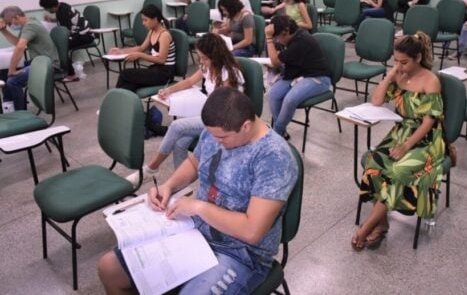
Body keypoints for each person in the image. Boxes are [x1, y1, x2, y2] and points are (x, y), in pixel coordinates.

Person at [98, 87, 299, 295]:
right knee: (109, 268)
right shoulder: (217, 130)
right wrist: (168, 186)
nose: (216, 141)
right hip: (196, 232)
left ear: (246, 126)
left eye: (222, 138)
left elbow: (252, 231)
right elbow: (195, 163)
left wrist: (199, 207)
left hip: (241, 253)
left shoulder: (274, 158)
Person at [351, 32, 445, 251]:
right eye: (396, 61)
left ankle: (368, 226)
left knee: (399, 171)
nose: (400, 66)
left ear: (418, 58)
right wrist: (391, 75)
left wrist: (406, 146)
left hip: (426, 138)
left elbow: (429, 122)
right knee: (373, 161)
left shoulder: (431, 81)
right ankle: (382, 223)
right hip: (401, 131)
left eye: (404, 62)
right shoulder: (399, 75)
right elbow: (376, 101)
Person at [126, 33, 245, 185]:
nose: (201, 61)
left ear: (216, 56)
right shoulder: (208, 66)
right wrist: (169, 90)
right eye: (200, 57)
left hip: (224, 119)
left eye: (205, 58)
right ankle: (181, 185)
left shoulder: (229, 73)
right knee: (180, 142)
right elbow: (189, 81)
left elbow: (227, 106)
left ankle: (151, 168)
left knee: (176, 126)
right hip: (211, 113)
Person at [265, 15, 331, 139]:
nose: (277, 41)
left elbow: (275, 61)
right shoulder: (293, 35)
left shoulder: (301, 41)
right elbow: (280, 57)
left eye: (277, 37)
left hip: (318, 78)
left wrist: (268, 38)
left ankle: (276, 134)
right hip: (298, 74)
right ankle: (281, 131)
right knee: (273, 94)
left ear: (285, 32)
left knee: (289, 100)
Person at [0, 6, 59, 110]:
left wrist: (12, 69)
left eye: (9, 23)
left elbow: (20, 47)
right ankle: (8, 107)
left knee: (12, 81)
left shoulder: (30, 26)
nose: (9, 26)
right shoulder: (29, 23)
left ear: (16, 17)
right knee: (3, 73)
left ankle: (21, 113)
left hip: (48, 66)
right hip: (38, 62)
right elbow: (18, 43)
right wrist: (4, 31)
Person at [111, 4, 175, 92]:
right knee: (129, 83)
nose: (143, 23)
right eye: (143, 20)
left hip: (165, 74)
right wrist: (121, 51)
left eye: (145, 20)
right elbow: (141, 48)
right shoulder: (152, 32)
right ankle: (126, 103)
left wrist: (140, 55)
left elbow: (161, 60)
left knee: (125, 74)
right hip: (155, 70)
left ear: (155, 19)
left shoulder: (164, 35)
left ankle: (119, 101)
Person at [38, 0, 92, 82]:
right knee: (59, 45)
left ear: (51, 7)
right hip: (80, 33)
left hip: (84, 36)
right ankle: (66, 70)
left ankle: (72, 75)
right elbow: (66, 23)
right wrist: (52, 21)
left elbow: (65, 31)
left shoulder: (63, 11)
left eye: (46, 8)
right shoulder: (62, 6)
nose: (47, 10)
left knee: (61, 47)